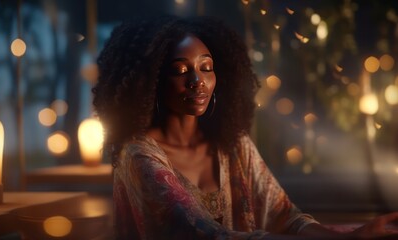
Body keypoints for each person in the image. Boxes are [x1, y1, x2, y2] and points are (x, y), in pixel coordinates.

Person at [92, 15, 398, 240]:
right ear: (150, 82)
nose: (197, 81)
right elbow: (205, 235)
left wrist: (351, 236)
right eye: (180, 70)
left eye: (206, 67)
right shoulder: (138, 155)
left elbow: (285, 218)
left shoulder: (233, 144)